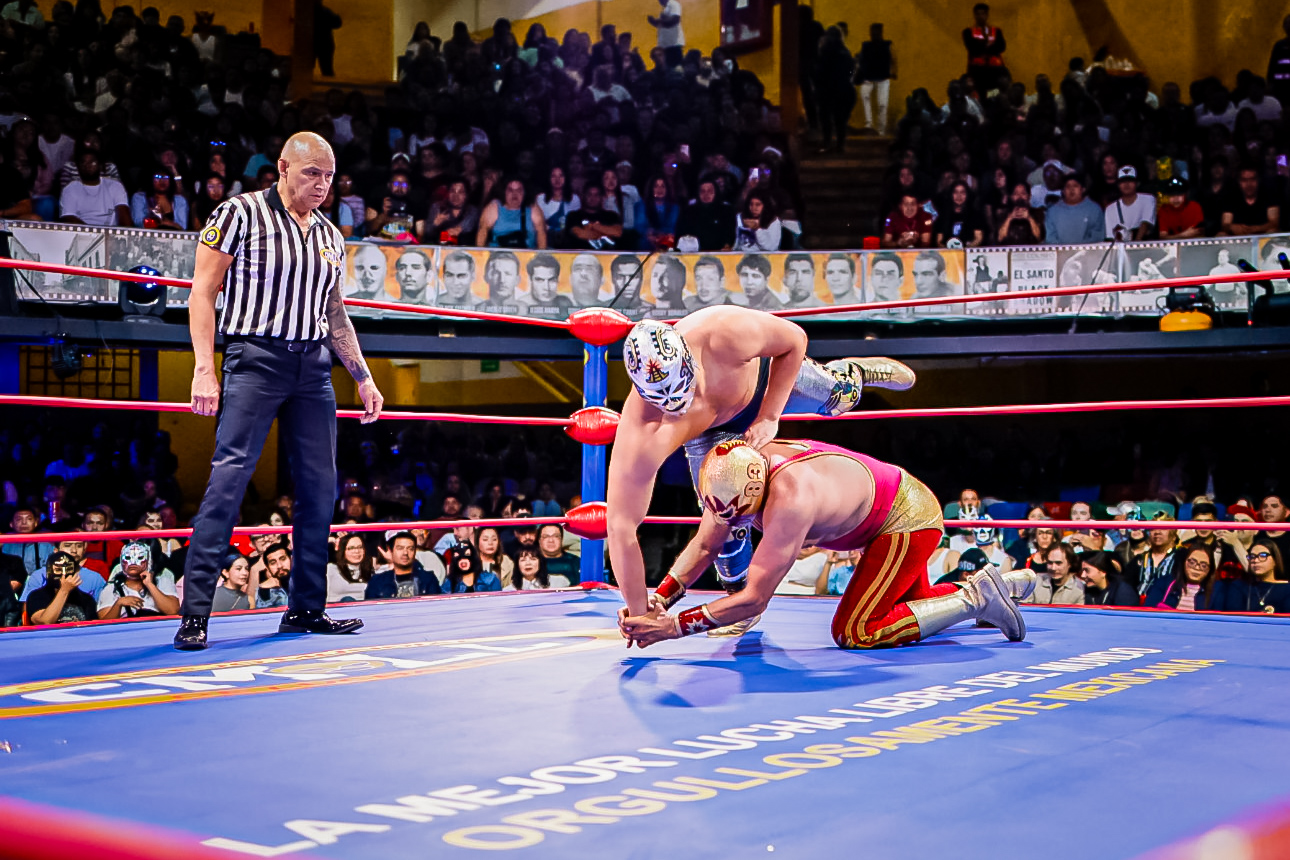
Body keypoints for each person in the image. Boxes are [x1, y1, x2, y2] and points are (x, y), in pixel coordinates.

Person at [176, 132, 382, 651]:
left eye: (329, 176)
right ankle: (195, 614)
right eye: (313, 173)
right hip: (255, 359)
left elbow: (335, 312)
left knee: (320, 487)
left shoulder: (330, 235)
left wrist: (362, 375)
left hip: (313, 368)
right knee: (228, 480)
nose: (322, 184)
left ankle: (306, 608)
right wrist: (204, 368)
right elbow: (202, 291)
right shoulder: (239, 213)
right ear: (284, 168)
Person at [607, 310, 915, 631]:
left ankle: (852, 372)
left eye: (685, 391)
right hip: (709, 434)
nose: (684, 404)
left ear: (688, 359)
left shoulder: (723, 330)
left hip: (763, 385)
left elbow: (794, 339)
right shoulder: (642, 429)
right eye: (670, 405)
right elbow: (620, 526)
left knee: (841, 397)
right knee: (722, 511)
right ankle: (738, 603)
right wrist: (640, 612)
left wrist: (769, 415)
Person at [620, 439, 1033, 649]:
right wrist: (660, 599)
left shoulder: (791, 500)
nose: (734, 525)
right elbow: (705, 545)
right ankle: (1003, 586)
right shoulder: (734, 471)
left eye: (740, 516)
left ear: (757, 493)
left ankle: (976, 599)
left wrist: (673, 627)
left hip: (904, 519)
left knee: (857, 630)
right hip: (883, 513)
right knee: (916, 605)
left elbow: (754, 600)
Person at [98, 540, 180, 619]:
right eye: (128, 557)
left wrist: (150, 585)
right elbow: (104, 622)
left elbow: (173, 611)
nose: (133, 562)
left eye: (140, 557)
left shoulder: (163, 581)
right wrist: (119, 603)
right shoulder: (111, 588)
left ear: (149, 560)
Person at [26, 552, 99, 625]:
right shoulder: (37, 596)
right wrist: (64, 590)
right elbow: (45, 622)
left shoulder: (86, 599)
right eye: (58, 569)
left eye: (69, 569)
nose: (64, 574)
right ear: (48, 572)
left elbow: (94, 626)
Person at [1219, 539, 1290, 614]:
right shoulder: (1238, 587)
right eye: (1252, 556)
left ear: (1275, 560)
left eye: (1263, 556)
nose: (1256, 560)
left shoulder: (1286, 589)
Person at [365, 532, 442, 599]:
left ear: (415, 552)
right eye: (400, 548)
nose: (405, 553)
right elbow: (371, 609)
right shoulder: (377, 582)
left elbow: (435, 607)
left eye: (410, 549)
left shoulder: (428, 579)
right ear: (391, 551)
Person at [1145, 545, 1221, 611]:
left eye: (1203, 566)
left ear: (1210, 569)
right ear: (1184, 562)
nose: (1197, 568)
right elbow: (1148, 611)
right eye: (1192, 563)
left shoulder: (1217, 591)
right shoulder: (1164, 583)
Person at [477, 178, 547, 249]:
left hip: (527, 253)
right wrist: (480, 253)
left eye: (519, 190)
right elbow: (482, 231)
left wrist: (541, 254)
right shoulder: (495, 206)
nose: (514, 194)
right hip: (498, 253)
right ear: (504, 192)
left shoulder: (532, 208)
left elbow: (541, 233)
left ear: (524, 193)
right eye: (510, 190)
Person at [855, 23, 896, 136]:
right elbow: (893, 59)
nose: (874, 34)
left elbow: (893, 59)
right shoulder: (886, 45)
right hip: (878, 77)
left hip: (875, 77)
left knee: (878, 102)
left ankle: (874, 127)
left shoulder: (868, 45)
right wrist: (894, 72)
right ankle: (875, 127)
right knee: (880, 103)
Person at [1220, 166, 1281, 236]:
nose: (1249, 184)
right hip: (1238, 238)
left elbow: (1274, 223)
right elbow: (1225, 224)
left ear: (1258, 180)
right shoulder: (1230, 198)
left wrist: (1255, 229)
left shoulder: (1269, 196)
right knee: (1221, 234)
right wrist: (1232, 227)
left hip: (1263, 238)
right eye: (1244, 180)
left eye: (1252, 179)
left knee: (1273, 231)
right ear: (1239, 182)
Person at [1045, 174, 1105, 244]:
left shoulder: (1094, 209)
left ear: (1083, 189)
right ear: (1063, 191)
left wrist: (1080, 249)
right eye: (1068, 186)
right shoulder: (1052, 211)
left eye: (1075, 186)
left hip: (1088, 250)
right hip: (1060, 250)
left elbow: (1097, 237)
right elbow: (1050, 237)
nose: (1071, 189)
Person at [962, 3, 1007, 93]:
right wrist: (989, 45)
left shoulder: (996, 31)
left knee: (996, 93)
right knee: (979, 94)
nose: (980, 16)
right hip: (977, 71)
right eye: (978, 14)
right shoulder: (968, 32)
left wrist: (983, 46)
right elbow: (973, 48)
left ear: (987, 15)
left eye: (982, 13)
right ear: (974, 15)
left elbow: (1001, 47)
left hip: (995, 71)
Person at [1104, 166, 1156, 241]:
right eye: (1123, 181)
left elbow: (1145, 224)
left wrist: (1134, 245)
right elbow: (1110, 237)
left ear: (1137, 183)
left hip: (1144, 244)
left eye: (1130, 181)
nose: (1126, 184)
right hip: (1120, 246)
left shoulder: (1148, 199)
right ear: (1118, 185)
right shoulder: (1110, 209)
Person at [934, 182, 986, 247]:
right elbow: (939, 241)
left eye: (962, 192)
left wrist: (965, 250)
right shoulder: (943, 216)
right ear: (951, 195)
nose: (959, 196)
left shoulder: (975, 215)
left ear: (967, 195)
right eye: (956, 192)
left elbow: (978, 239)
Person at [326, 533, 374, 602]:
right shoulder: (331, 569)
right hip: (338, 607)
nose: (357, 551)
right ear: (343, 551)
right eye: (351, 548)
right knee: (347, 599)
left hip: (364, 607)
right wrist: (331, 540)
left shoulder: (370, 571)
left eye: (360, 547)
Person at [647, 0, 684, 68]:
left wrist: (658, 22)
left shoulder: (673, 4)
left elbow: (674, 20)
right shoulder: (665, 8)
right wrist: (654, 22)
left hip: (673, 45)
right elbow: (664, 24)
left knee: (675, 70)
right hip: (665, 47)